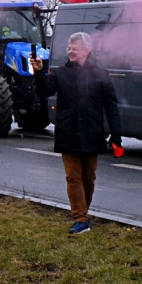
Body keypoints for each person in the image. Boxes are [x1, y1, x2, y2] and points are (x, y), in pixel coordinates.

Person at [31, 32, 122, 235]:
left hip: (92, 133)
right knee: (73, 177)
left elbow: (111, 106)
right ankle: (80, 218)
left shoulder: (100, 74)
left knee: (89, 178)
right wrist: (38, 73)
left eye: (75, 48)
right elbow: (45, 91)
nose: (71, 51)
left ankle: (84, 215)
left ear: (87, 50)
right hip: (68, 132)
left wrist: (116, 135)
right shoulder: (59, 73)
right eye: (69, 48)